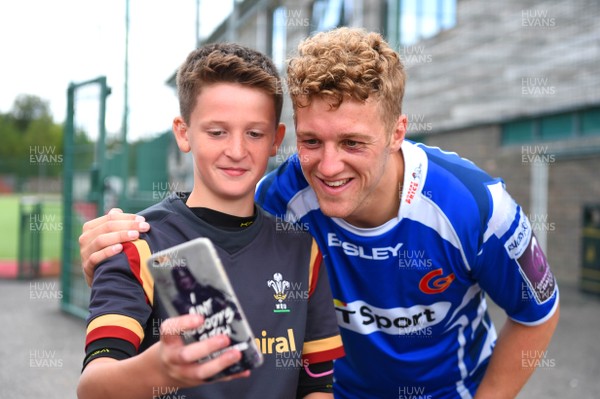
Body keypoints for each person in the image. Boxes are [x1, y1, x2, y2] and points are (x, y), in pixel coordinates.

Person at [78, 28, 560, 398]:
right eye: (311, 142)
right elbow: (214, 232)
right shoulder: (278, 198)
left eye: (352, 142)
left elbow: (538, 314)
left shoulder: (476, 206)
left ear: (397, 132)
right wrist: (112, 256)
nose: (328, 167)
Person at [77, 43, 344, 399]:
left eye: (254, 133)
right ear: (184, 132)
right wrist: (157, 370)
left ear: (276, 140)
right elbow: (93, 387)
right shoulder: (136, 242)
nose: (236, 150)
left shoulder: (300, 250)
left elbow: (317, 385)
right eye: (217, 132)